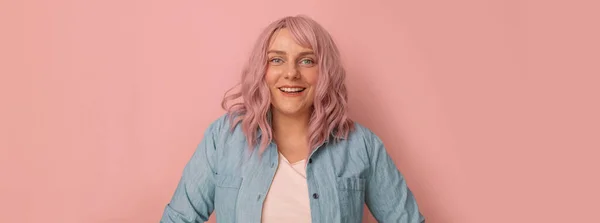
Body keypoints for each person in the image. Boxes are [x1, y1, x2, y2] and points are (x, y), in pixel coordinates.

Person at [160, 15, 425, 223]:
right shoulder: (224, 138)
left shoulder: (361, 145)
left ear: (325, 72)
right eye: (276, 60)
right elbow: (178, 219)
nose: (291, 73)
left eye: (307, 61)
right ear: (261, 71)